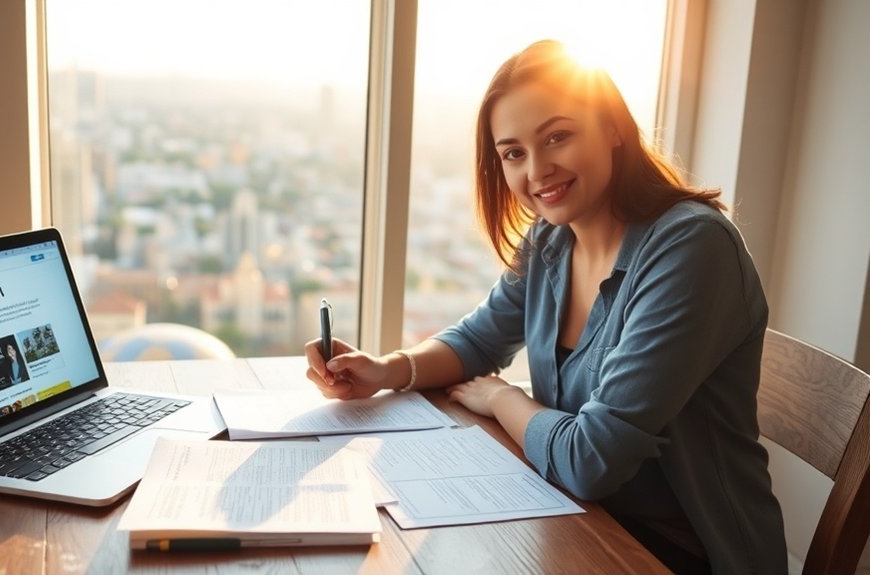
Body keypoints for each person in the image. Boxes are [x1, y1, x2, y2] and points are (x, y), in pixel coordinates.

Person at [305, 40, 786, 573]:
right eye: (513, 153)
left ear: (612, 128)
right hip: (574, 516)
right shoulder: (551, 240)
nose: (537, 170)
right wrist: (386, 369)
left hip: (679, 551)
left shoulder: (691, 249)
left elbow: (590, 460)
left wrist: (501, 398)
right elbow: (479, 340)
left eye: (557, 136)